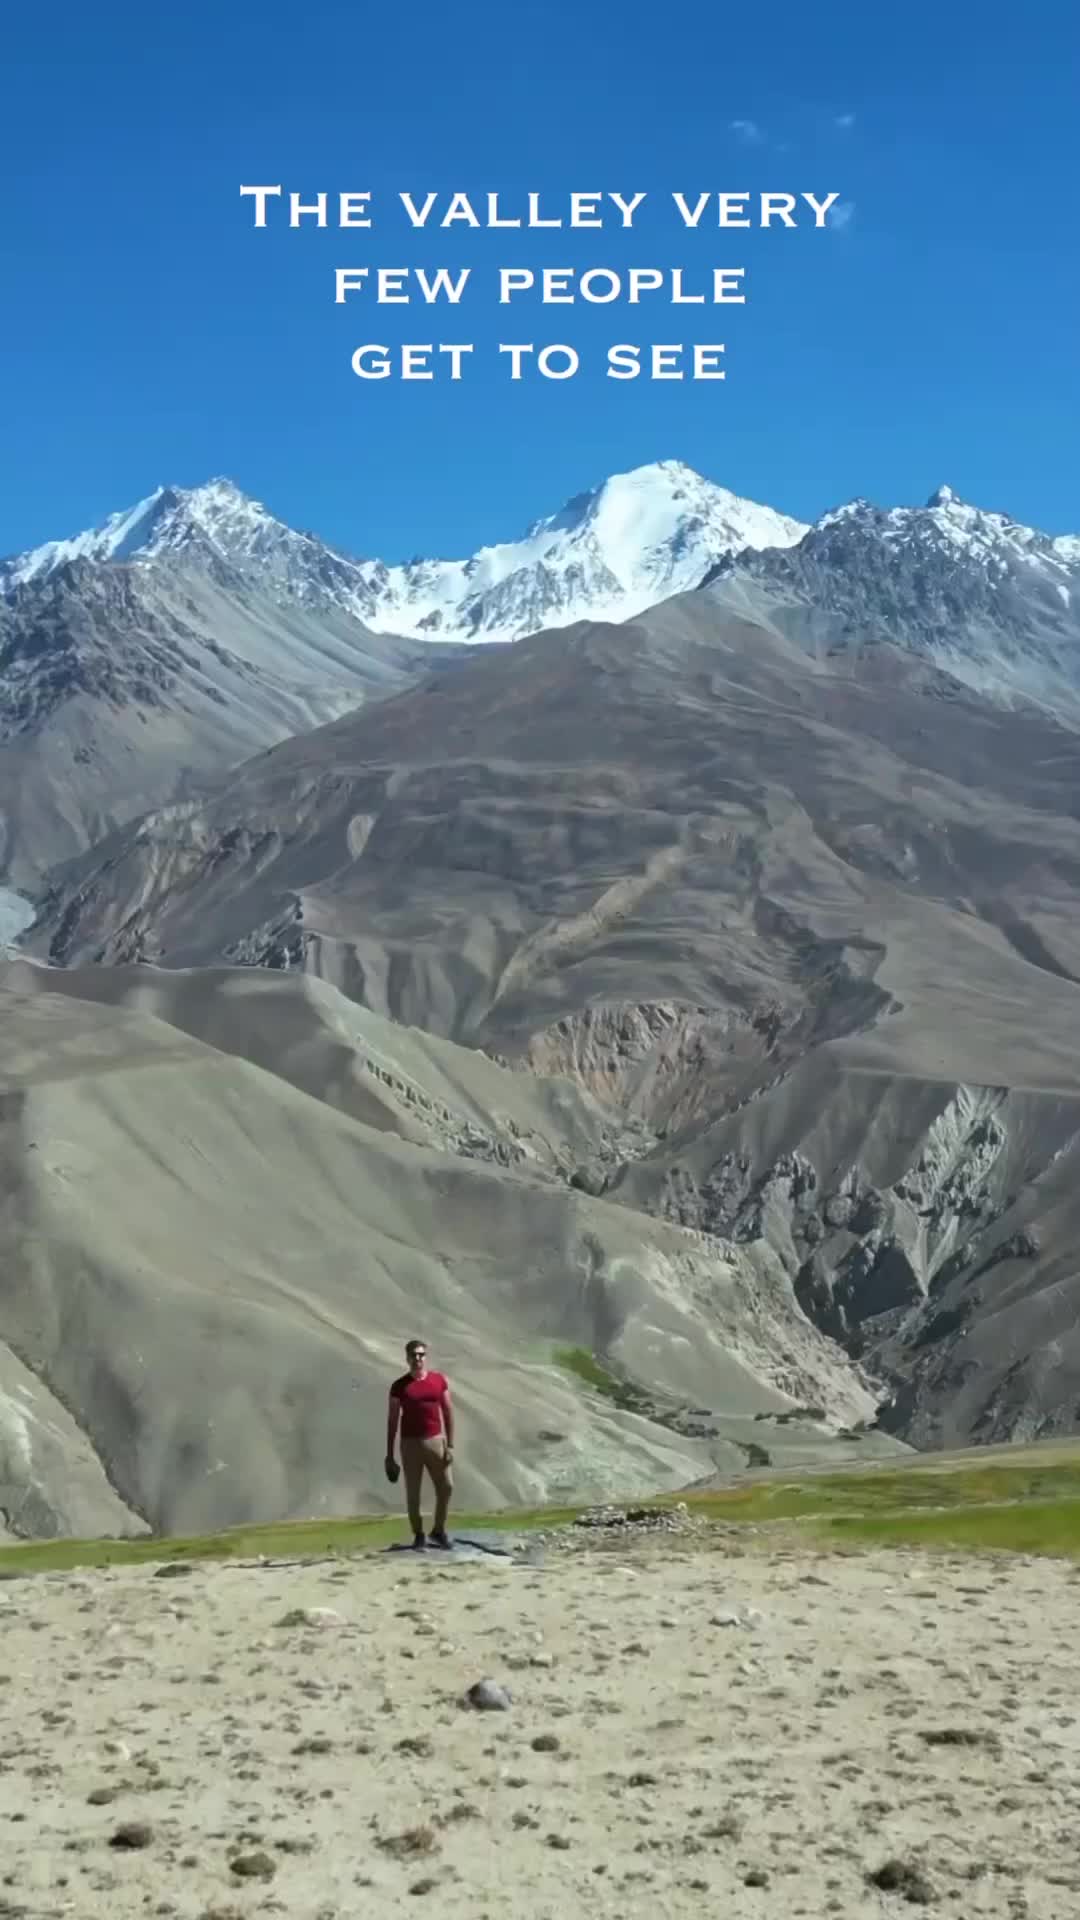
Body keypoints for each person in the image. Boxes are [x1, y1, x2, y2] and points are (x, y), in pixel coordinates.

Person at [385, 1339, 455, 1549]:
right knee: (413, 1493)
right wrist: (390, 1455)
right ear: (407, 1358)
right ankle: (418, 1534)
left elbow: (448, 1411)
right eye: (413, 1355)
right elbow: (392, 1420)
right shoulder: (399, 1387)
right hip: (410, 1444)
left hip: (436, 1441)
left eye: (421, 1354)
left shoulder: (438, 1381)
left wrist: (450, 1445)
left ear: (426, 1356)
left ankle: (438, 1530)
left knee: (447, 1486)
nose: (417, 1359)